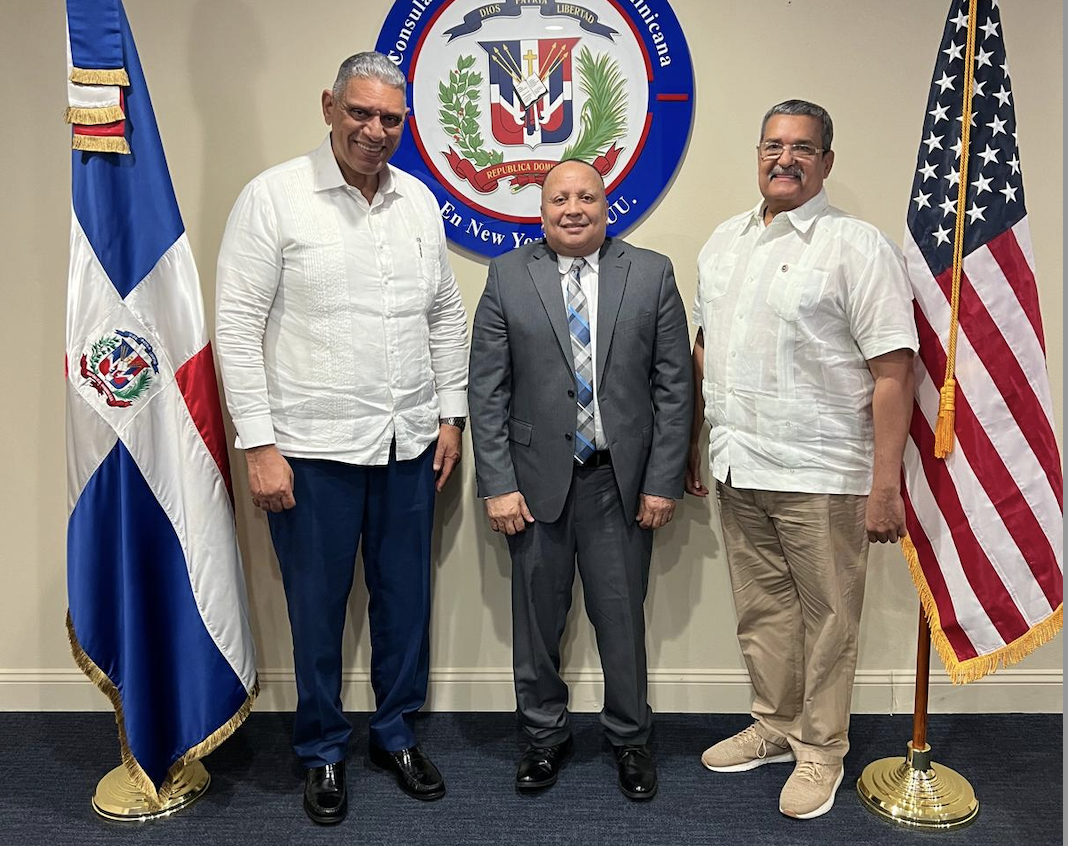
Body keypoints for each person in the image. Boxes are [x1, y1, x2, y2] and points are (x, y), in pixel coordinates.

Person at [215, 52, 468, 825]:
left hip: (406, 445)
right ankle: (322, 749)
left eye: (390, 118)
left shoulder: (418, 202)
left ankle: (395, 735)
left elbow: (444, 314)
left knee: (405, 605)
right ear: (329, 105)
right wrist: (258, 444)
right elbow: (237, 325)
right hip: (309, 450)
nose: (374, 130)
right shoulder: (274, 198)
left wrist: (450, 415)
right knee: (317, 612)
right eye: (360, 112)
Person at [687, 99, 918, 820]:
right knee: (763, 613)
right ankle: (775, 724)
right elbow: (706, 352)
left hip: (823, 472)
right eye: (773, 145)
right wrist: (696, 441)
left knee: (829, 621)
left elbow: (894, 370)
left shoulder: (857, 247)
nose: (784, 159)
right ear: (758, 154)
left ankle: (821, 748)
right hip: (740, 464)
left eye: (802, 148)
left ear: (826, 161)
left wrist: (886, 485)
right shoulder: (723, 242)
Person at [469, 159, 693, 801]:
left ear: (605, 203)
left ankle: (630, 738)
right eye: (559, 198)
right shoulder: (507, 275)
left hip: (617, 484)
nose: (573, 209)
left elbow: (674, 387)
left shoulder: (651, 274)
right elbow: (486, 389)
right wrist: (497, 484)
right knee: (537, 623)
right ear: (541, 210)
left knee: (621, 621)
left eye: (586, 197)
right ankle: (544, 736)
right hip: (533, 484)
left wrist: (662, 481)